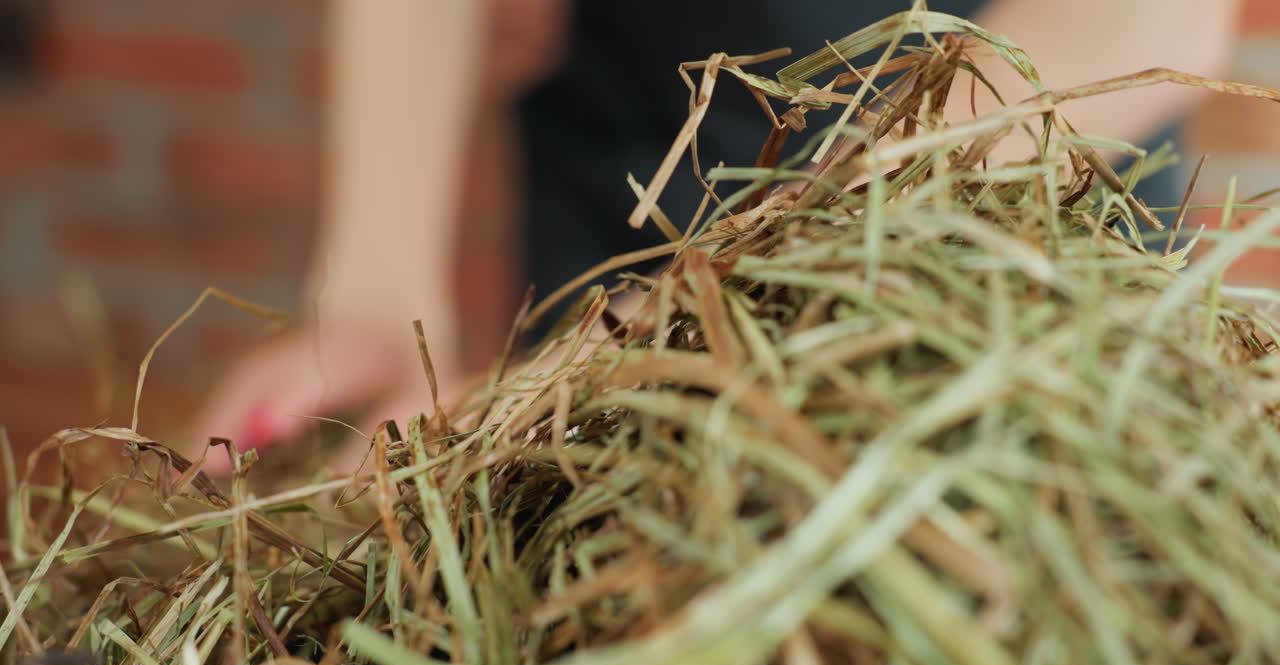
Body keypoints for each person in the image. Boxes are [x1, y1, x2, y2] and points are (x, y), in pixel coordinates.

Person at [189, 0, 1240, 473]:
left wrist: (660, 330)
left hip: (980, 241)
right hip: (635, 183)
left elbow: (1140, 17)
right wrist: (373, 292)